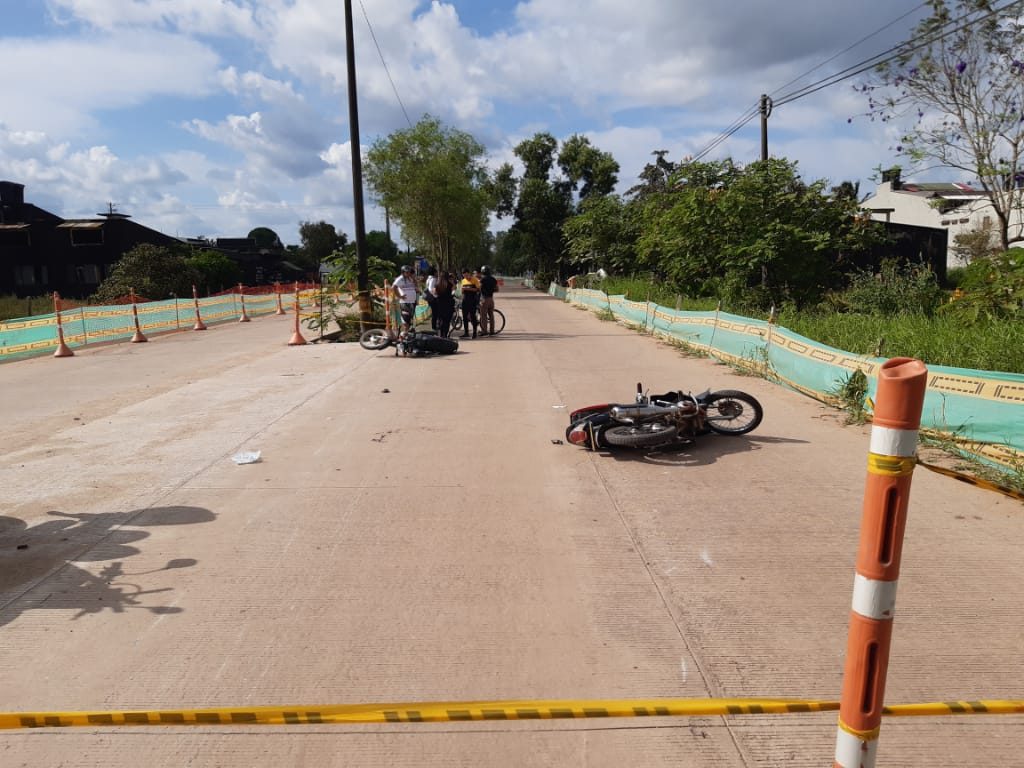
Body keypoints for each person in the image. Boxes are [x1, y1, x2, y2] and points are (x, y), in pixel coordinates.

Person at [391, 265, 419, 332]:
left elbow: (416, 286)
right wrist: (399, 296)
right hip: (404, 303)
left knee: (410, 319)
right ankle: (404, 334)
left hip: (412, 302)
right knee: (405, 319)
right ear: (403, 272)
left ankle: (406, 333)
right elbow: (393, 287)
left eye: (409, 272)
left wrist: (414, 279)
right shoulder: (400, 279)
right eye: (407, 272)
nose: (408, 273)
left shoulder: (410, 278)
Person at [433, 268, 455, 338]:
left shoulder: (437, 284)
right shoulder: (450, 284)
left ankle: (441, 334)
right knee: (447, 321)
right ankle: (445, 335)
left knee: (440, 319)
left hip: (439, 304)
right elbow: (454, 289)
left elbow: (434, 294)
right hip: (448, 304)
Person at [458, 267, 480, 339]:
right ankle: (466, 332)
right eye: (464, 275)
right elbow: (462, 291)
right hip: (465, 300)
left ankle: (474, 332)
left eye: (467, 275)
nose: (466, 277)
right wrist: (462, 291)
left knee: (473, 317)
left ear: (469, 273)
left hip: (472, 300)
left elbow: (477, 289)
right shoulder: (463, 281)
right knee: (464, 317)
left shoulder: (475, 280)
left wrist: (467, 289)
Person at [478, 265, 499, 336]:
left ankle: (484, 331)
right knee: (491, 315)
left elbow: (479, 288)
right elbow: (497, 289)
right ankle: (492, 331)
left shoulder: (482, 279)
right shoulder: (493, 279)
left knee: (483, 315)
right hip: (491, 299)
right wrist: (491, 290)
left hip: (484, 298)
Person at [424, 265, 439, 331]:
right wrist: (436, 295)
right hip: (433, 298)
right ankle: (434, 327)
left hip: (430, 298)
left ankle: (434, 326)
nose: (437, 273)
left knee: (434, 313)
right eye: (436, 271)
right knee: (435, 313)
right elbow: (430, 289)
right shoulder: (433, 279)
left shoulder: (428, 279)